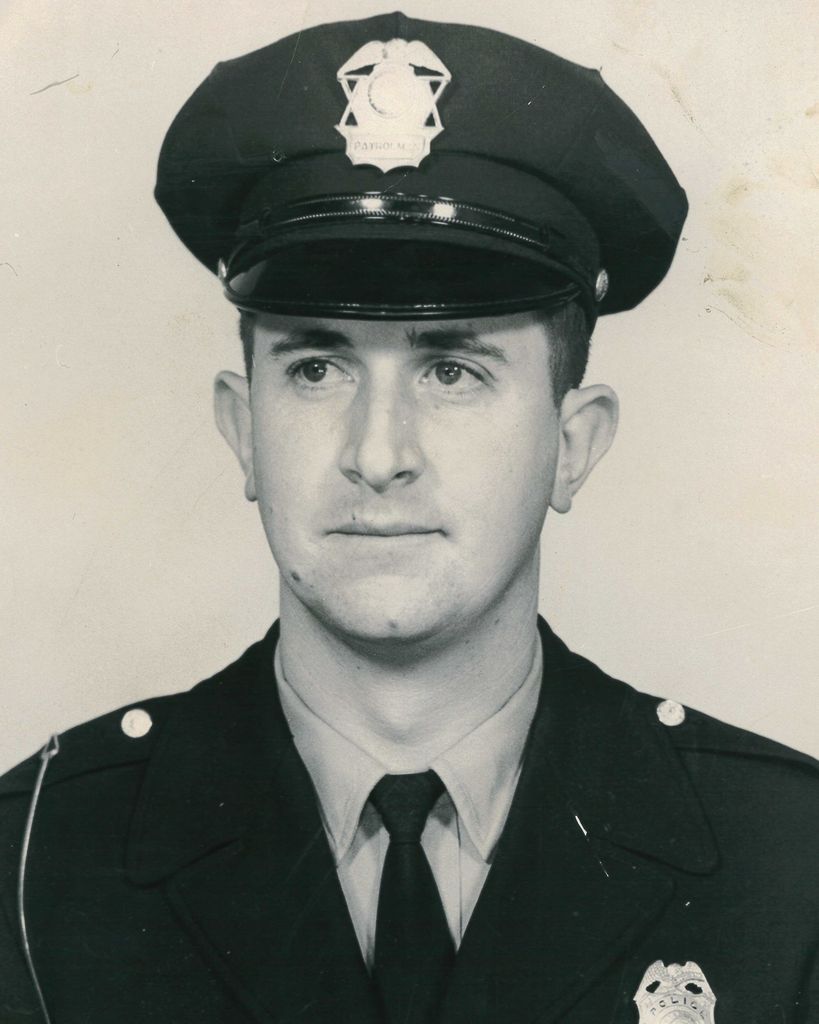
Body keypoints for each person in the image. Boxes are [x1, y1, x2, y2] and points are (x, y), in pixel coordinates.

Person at [1, 11, 817, 1024]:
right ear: (243, 431)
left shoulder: (788, 865)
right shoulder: (35, 863)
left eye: (452, 370)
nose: (377, 453)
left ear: (574, 444)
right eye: (316, 367)